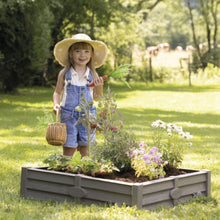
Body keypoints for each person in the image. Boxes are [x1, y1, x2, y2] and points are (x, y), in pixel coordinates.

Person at [53, 33, 108, 157]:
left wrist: (99, 86)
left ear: (91, 55)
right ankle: (66, 170)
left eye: (86, 51)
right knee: (69, 148)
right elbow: (57, 92)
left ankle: (83, 173)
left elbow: (97, 98)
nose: (82, 55)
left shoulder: (93, 75)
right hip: (68, 116)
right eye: (78, 51)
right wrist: (56, 104)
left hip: (87, 117)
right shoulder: (64, 73)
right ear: (70, 54)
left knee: (85, 148)